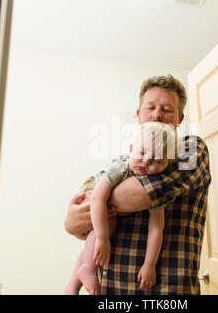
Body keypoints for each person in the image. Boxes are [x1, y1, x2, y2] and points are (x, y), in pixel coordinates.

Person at [64, 75, 211, 294]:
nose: (157, 113)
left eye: (167, 109)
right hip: (111, 290)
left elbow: (141, 195)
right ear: (139, 115)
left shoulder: (190, 150)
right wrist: (72, 222)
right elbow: (87, 227)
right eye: (151, 106)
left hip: (168, 290)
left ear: (179, 119)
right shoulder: (123, 160)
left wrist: (98, 199)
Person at [65, 122, 178, 295]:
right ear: (131, 148)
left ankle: (72, 286)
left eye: (157, 161)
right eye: (141, 152)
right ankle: (87, 268)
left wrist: (149, 265)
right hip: (93, 192)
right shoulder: (121, 167)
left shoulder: (157, 188)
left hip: (106, 203)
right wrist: (103, 238)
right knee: (106, 228)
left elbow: (156, 229)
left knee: (92, 243)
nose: (146, 161)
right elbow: (97, 199)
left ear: (166, 167)